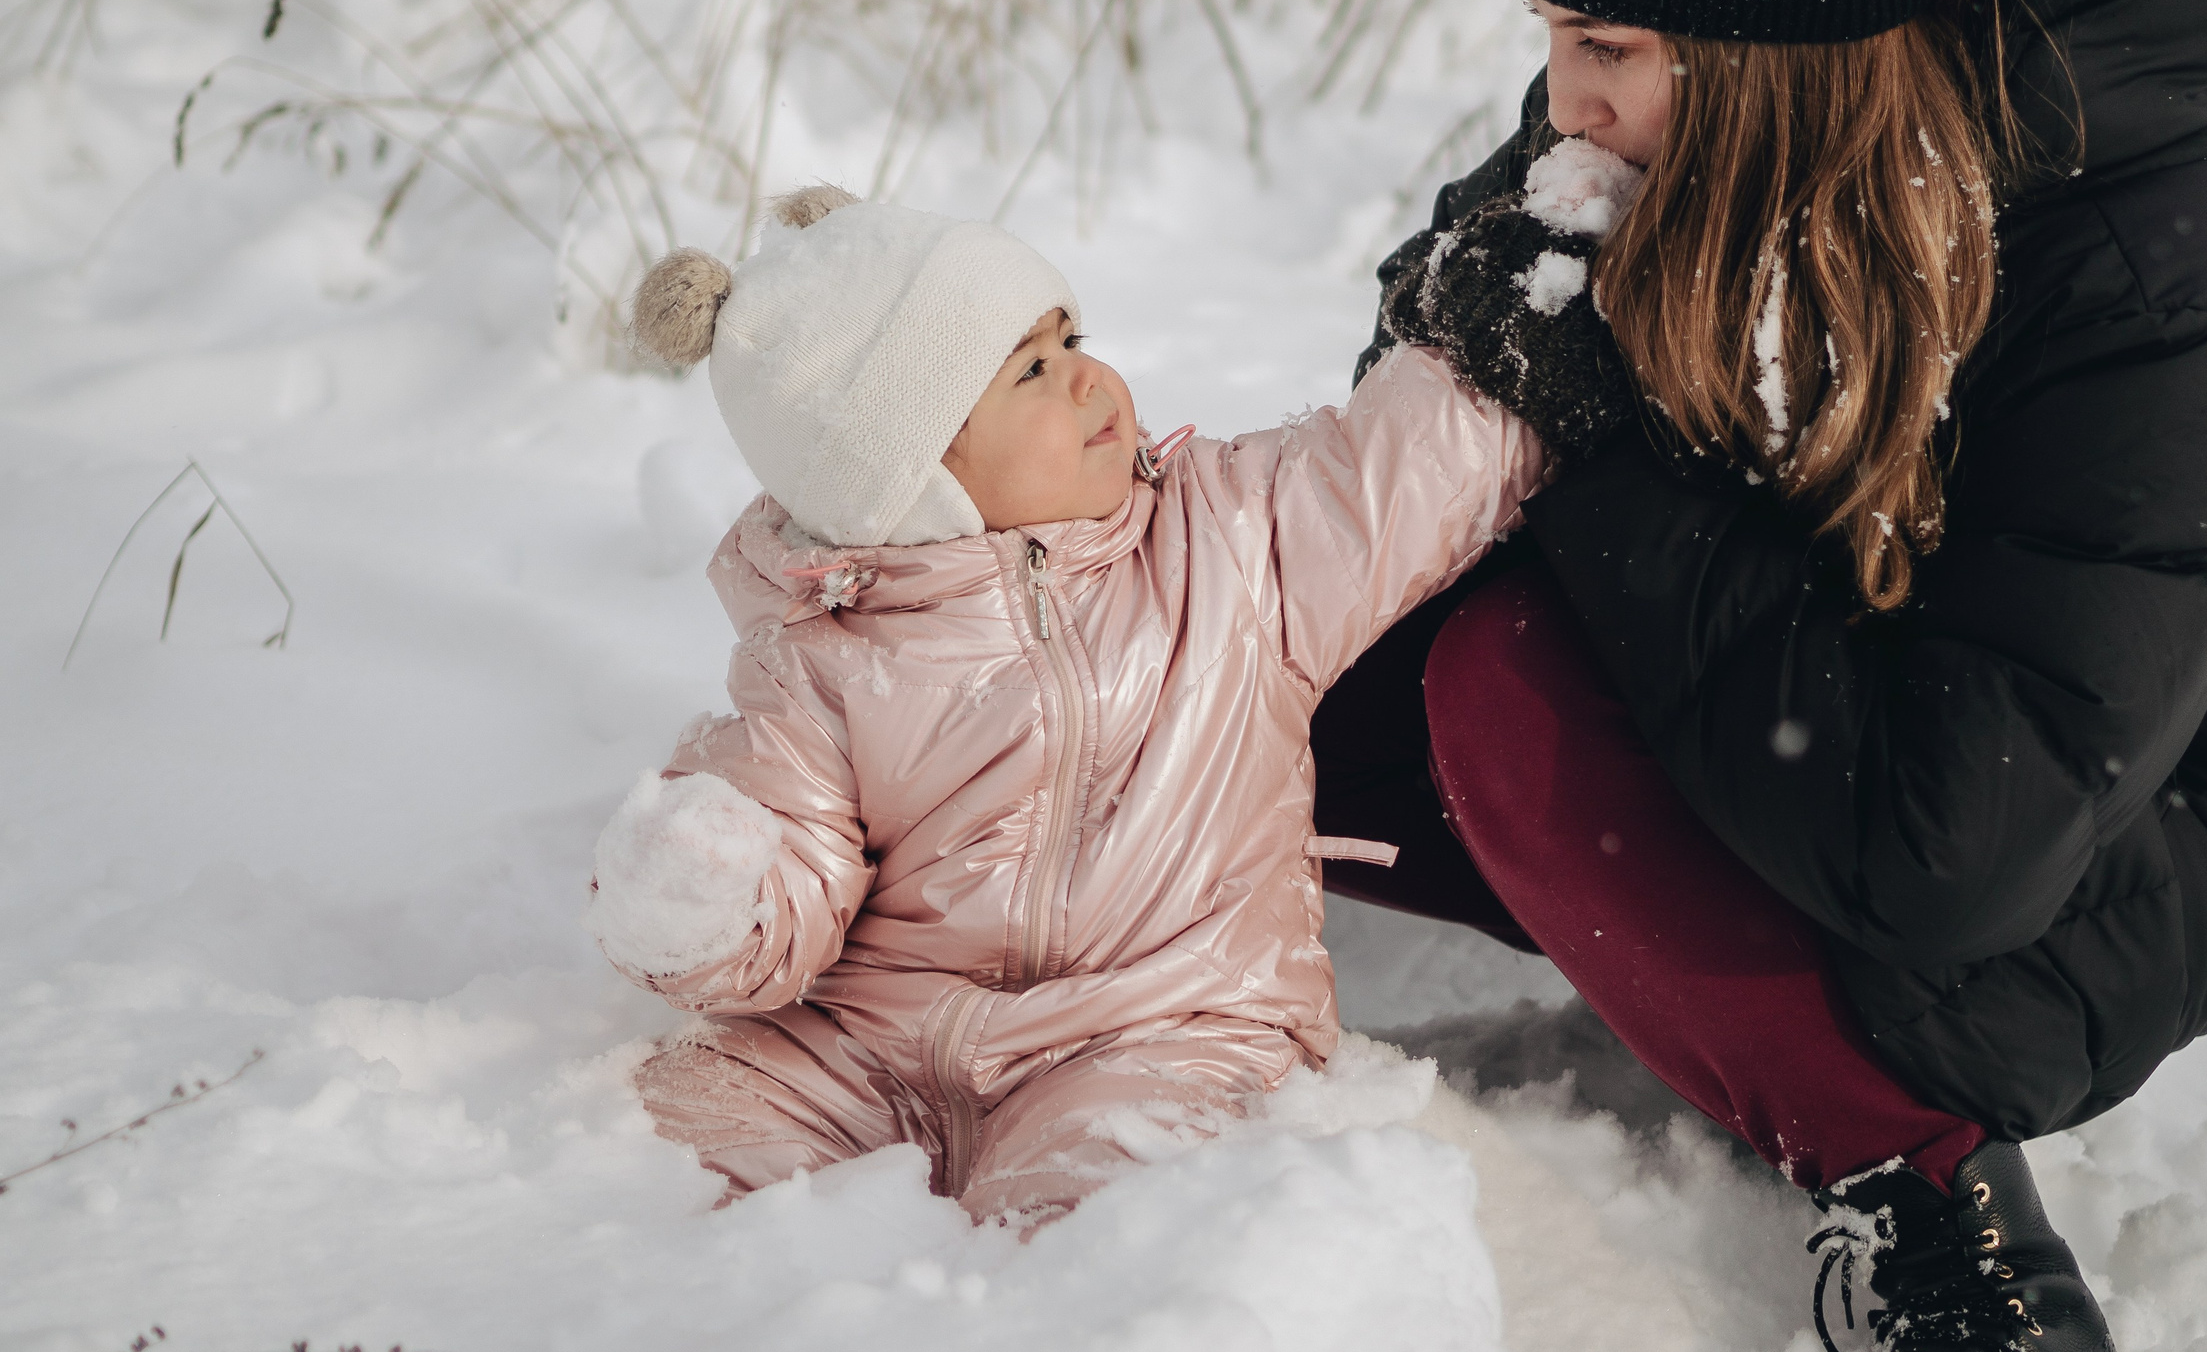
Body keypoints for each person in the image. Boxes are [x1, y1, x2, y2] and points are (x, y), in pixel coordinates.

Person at [1314, 0, 2207, 1352]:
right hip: (1842, 698)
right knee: (1319, 686)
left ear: (1763, 49)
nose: (1564, 102)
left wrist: (1611, 448)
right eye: (1554, 40)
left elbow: (1953, 853)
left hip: (2135, 829)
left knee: (1507, 688)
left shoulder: (2150, 277)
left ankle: (1942, 1216)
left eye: (1604, 46)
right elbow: (1434, 426)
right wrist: (1464, 335)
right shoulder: (1669, 110)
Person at [584, 183, 1542, 1227]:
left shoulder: (1227, 540)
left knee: (1117, 1198)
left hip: (1165, 1023)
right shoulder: (821, 655)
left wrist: (1501, 336)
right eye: (1033, 370)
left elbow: (1387, 480)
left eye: (1071, 337)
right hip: (874, 1042)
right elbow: (791, 895)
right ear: (908, 472)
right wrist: (703, 893)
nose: (1089, 376)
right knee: (669, 1135)